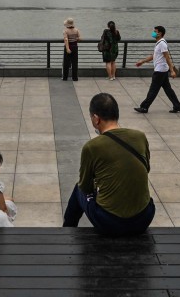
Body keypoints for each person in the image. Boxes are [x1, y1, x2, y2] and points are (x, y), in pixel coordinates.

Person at [62, 92, 155, 235]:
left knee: (78, 189)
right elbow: (146, 168)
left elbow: (85, 187)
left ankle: (67, 231)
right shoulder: (140, 136)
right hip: (143, 219)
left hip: (110, 222)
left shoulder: (92, 147)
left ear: (96, 118)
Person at [134, 26, 180, 114]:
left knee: (153, 90)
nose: (153, 33)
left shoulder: (162, 44)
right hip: (162, 70)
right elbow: (153, 56)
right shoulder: (159, 43)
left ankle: (144, 107)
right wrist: (143, 61)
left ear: (160, 33)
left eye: (155, 31)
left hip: (160, 71)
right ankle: (177, 106)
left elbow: (167, 57)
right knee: (168, 90)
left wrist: (172, 70)